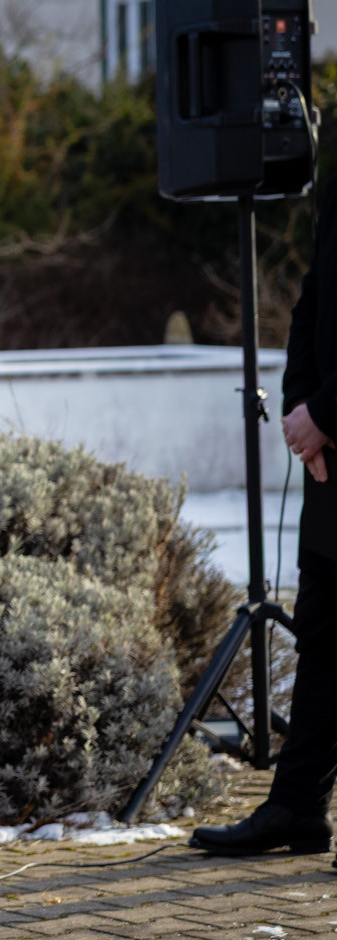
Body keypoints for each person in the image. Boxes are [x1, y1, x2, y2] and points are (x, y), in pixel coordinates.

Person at [196, 184, 337, 859]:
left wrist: (326, 413)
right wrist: (301, 406)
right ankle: (297, 807)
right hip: (331, 457)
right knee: (324, 630)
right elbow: (313, 300)